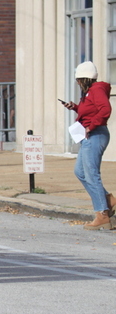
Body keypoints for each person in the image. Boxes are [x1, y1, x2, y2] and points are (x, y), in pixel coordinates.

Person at [62, 61, 115, 230]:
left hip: (95, 134)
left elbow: (105, 110)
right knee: (80, 172)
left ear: (83, 79)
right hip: (91, 135)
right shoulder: (90, 92)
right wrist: (75, 107)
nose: (77, 83)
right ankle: (107, 200)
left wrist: (91, 126)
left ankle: (102, 214)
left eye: (78, 80)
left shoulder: (96, 90)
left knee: (92, 174)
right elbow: (90, 111)